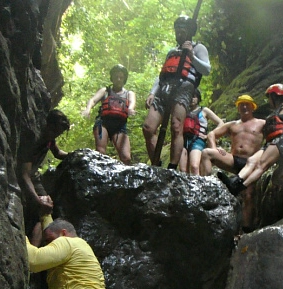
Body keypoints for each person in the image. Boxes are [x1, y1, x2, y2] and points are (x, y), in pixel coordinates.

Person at [143, 16, 211, 168]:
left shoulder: (199, 48)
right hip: (164, 89)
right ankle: (156, 164)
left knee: (176, 126)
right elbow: (161, 76)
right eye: (177, 27)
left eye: (183, 27)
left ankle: (172, 167)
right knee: (148, 128)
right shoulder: (172, 52)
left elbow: (206, 70)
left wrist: (191, 55)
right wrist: (152, 92)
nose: (179, 30)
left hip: (183, 89)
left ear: (190, 30)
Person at [218, 84, 283, 196]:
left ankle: (239, 187)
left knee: (261, 165)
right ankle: (235, 181)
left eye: (269, 97)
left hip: (281, 140)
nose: (269, 100)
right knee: (251, 161)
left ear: (274, 96)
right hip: (270, 142)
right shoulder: (273, 113)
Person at [200, 94, 265, 232]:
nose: (244, 107)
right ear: (238, 108)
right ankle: (205, 187)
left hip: (250, 163)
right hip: (233, 160)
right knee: (207, 153)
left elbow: (279, 130)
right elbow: (212, 134)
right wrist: (215, 148)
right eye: (242, 105)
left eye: (247, 104)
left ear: (252, 107)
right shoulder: (232, 125)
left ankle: (246, 229)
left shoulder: (262, 123)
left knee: (248, 194)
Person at [19, 109, 70, 239]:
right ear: (48, 124)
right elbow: (24, 174)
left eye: (58, 133)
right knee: (40, 206)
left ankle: (36, 250)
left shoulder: (49, 138)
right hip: (21, 176)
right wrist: (37, 200)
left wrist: (77, 154)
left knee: (46, 209)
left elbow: (57, 153)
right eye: (55, 131)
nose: (55, 135)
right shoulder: (33, 139)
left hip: (33, 176)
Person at [81, 64, 136, 165]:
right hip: (103, 124)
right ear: (112, 78)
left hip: (120, 126)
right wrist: (88, 109)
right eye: (116, 77)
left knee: (126, 157)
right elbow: (93, 100)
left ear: (124, 79)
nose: (118, 79)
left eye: (121, 77)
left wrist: (131, 109)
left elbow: (132, 103)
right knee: (101, 153)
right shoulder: (105, 91)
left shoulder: (129, 93)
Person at [179, 88, 223, 175]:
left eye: (194, 96)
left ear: (198, 98)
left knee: (194, 166)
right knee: (183, 170)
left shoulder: (204, 110)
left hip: (198, 140)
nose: (192, 99)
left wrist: (209, 136)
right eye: (190, 96)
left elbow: (221, 123)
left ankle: (198, 187)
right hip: (183, 140)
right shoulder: (183, 110)